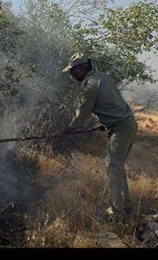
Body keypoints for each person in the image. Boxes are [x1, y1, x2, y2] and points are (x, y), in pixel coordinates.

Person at [53, 53, 138, 221]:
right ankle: (125, 206)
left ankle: (116, 213)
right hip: (127, 123)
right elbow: (113, 104)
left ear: (82, 68)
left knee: (113, 165)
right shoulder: (103, 77)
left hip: (121, 127)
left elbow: (82, 112)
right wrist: (106, 123)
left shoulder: (90, 84)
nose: (72, 75)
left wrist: (67, 129)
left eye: (73, 71)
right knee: (117, 166)